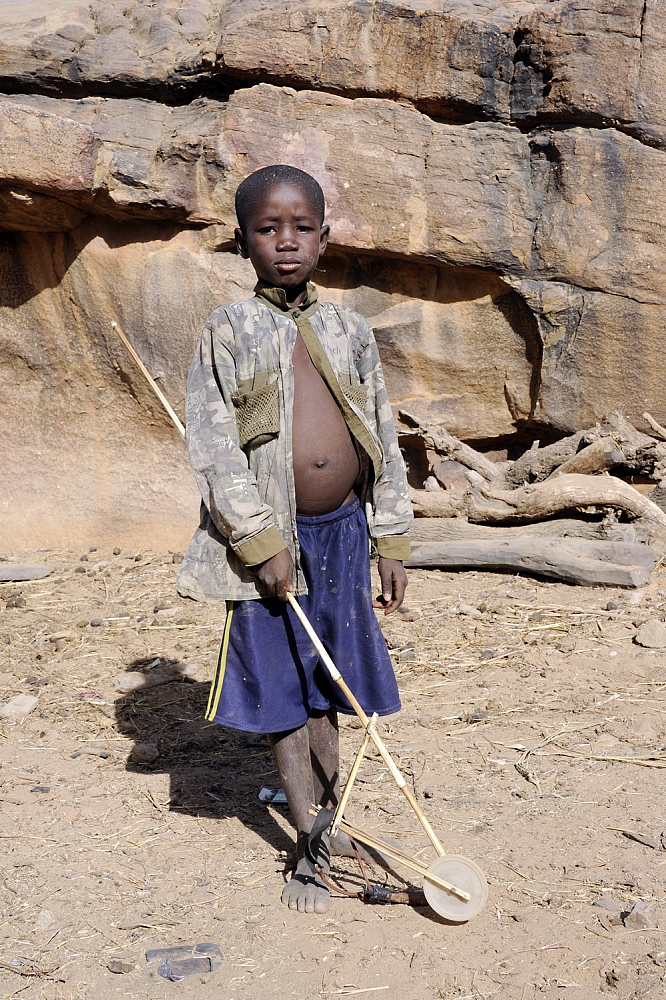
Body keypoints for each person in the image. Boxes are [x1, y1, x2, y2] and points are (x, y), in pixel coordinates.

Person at [177, 164, 412, 913]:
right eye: (267, 228)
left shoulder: (349, 329)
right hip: (270, 548)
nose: (286, 242)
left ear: (323, 237)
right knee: (283, 690)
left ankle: (333, 822)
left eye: (301, 227)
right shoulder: (228, 329)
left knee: (331, 685)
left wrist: (392, 539)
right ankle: (306, 842)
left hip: (343, 534)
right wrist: (258, 540)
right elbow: (215, 451)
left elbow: (382, 434)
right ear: (242, 240)